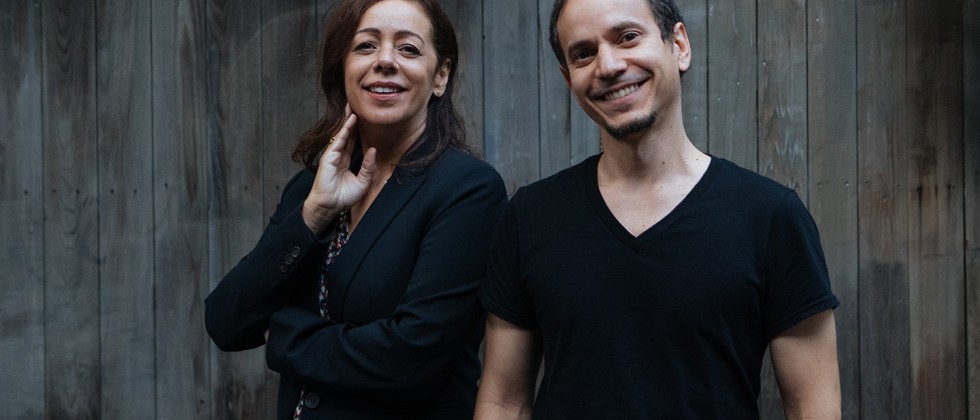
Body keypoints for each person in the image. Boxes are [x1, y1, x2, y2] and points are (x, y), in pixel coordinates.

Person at [475, 0, 841, 418]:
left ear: (678, 45)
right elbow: (504, 402)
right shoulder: (529, 217)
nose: (608, 65)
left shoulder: (770, 216)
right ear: (568, 78)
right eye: (583, 53)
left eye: (627, 37)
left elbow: (812, 406)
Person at [204, 0, 506, 418]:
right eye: (365, 46)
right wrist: (313, 214)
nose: (384, 61)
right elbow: (226, 322)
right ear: (342, 69)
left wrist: (284, 334)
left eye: (409, 49)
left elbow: (409, 359)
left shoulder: (467, 188)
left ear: (440, 76)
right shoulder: (311, 188)